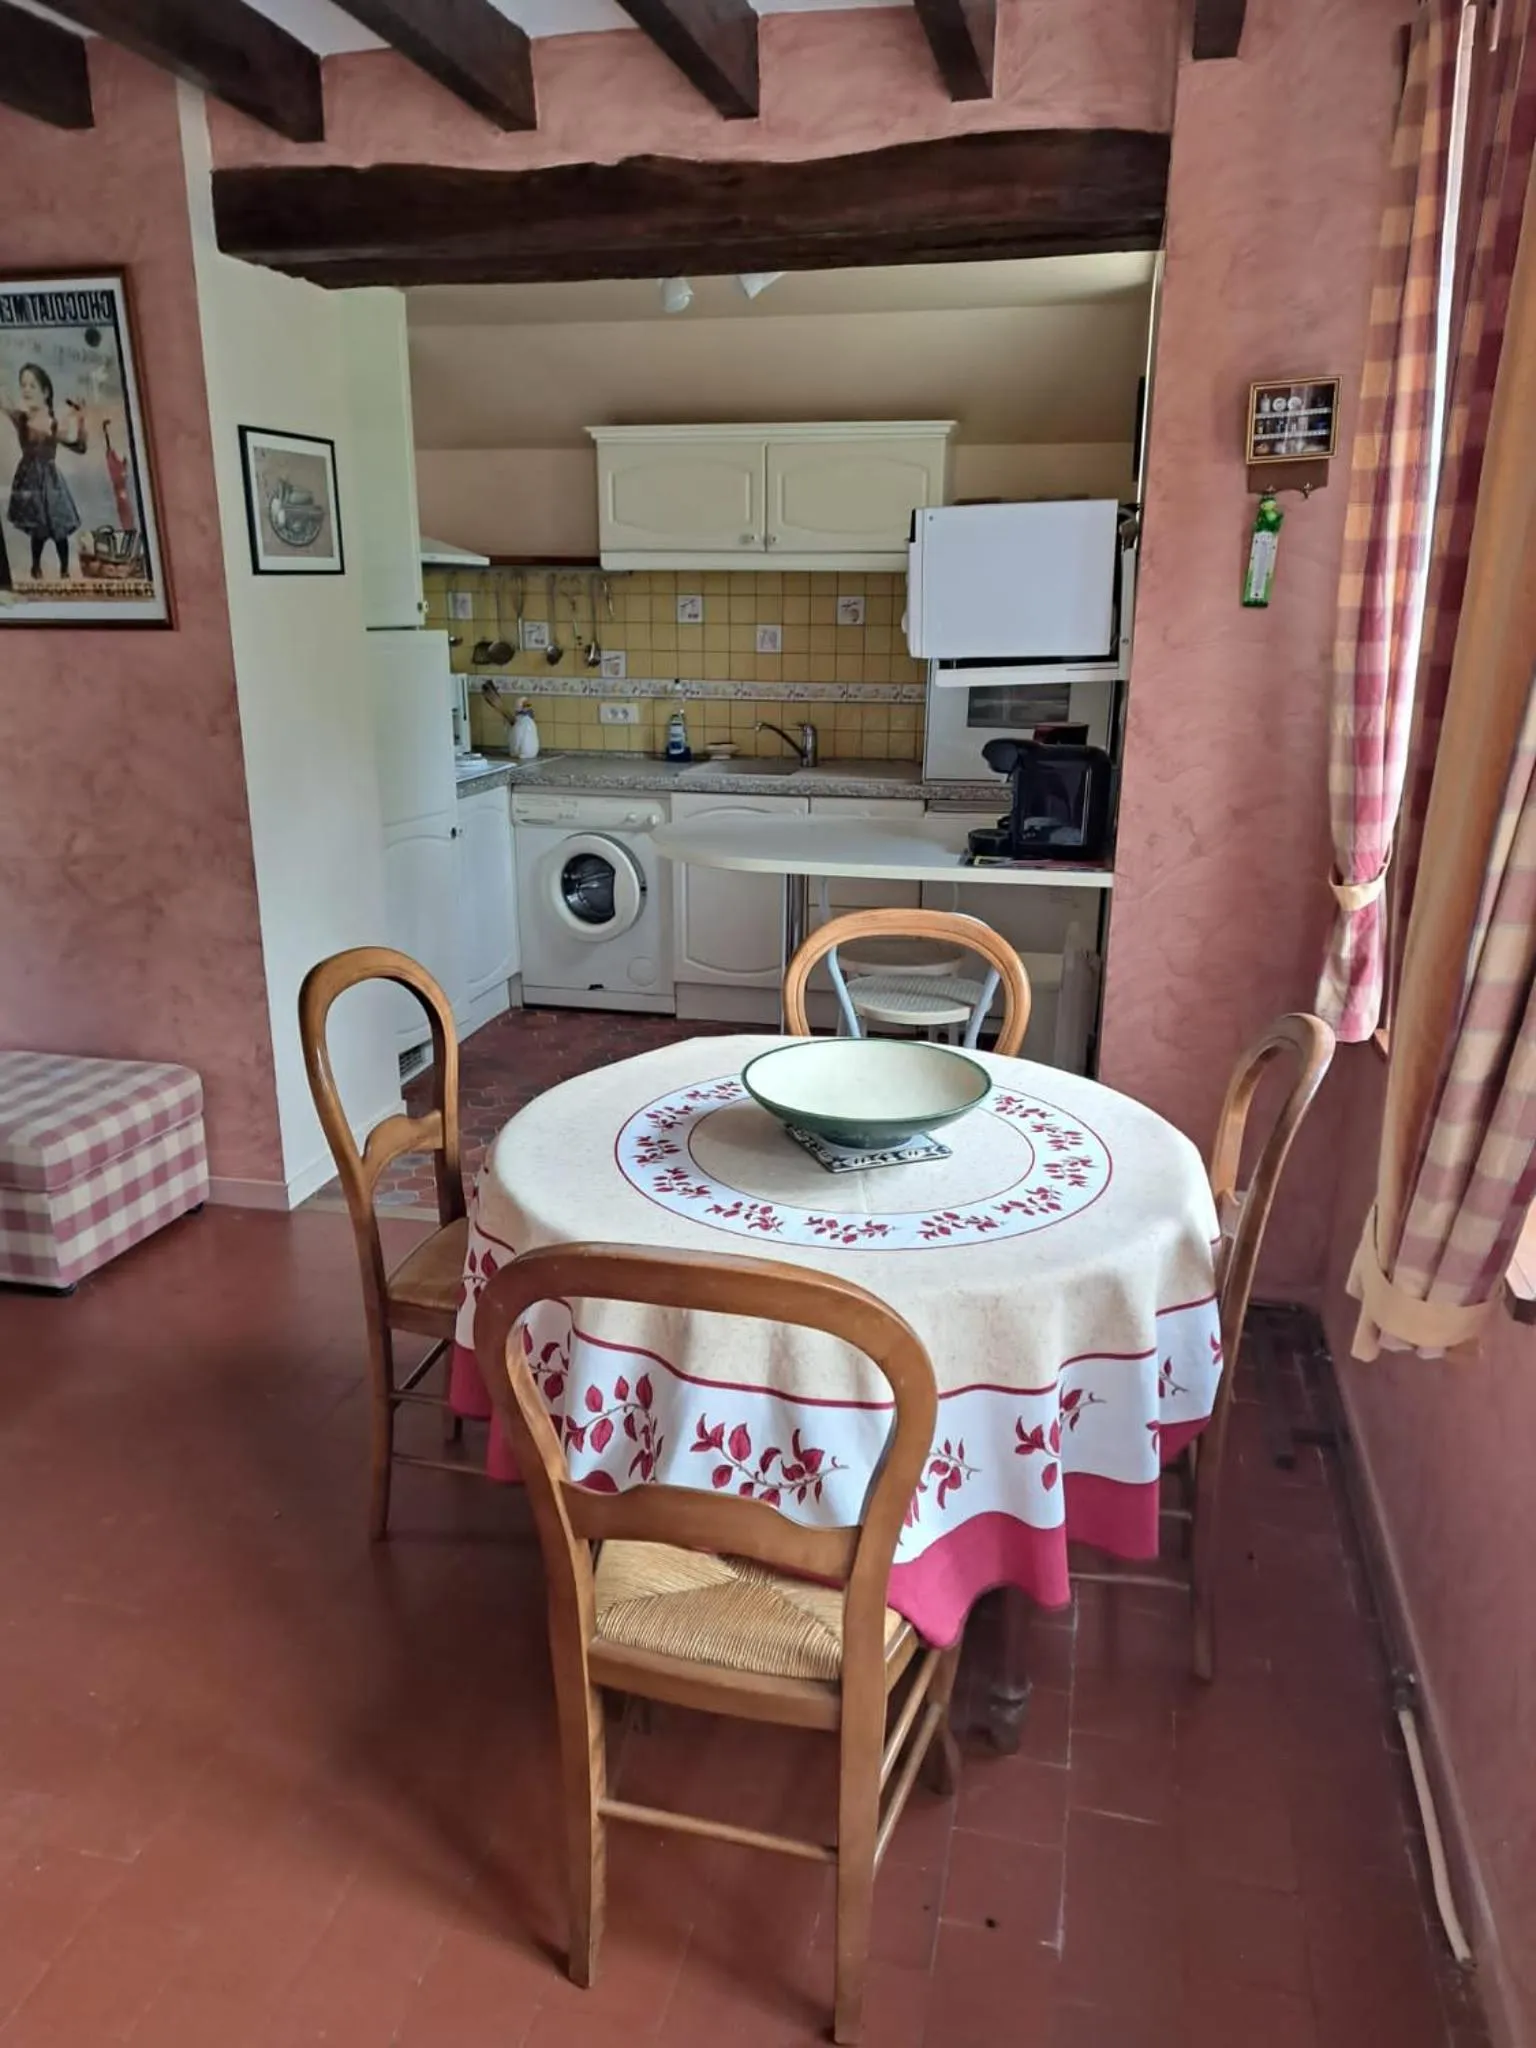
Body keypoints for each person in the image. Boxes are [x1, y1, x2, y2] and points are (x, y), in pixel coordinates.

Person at [6, 363, 86, 579]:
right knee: (38, 529)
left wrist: (80, 418)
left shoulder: (53, 423)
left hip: (50, 481)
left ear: (46, 392)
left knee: (58, 526)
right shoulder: (21, 419)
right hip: (28, 481)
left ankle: (64, 570)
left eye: (32, 385)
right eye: (23, 385)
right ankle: (36, 568)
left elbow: (77, 444)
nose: (26, 390)